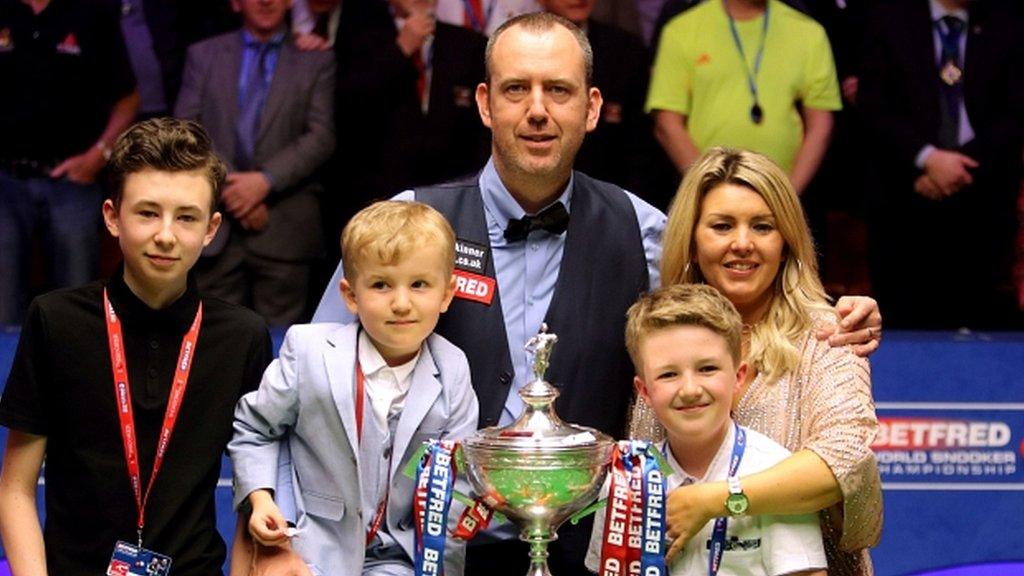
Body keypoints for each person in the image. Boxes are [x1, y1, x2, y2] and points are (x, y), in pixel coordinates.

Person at [313, 14, 882, 575]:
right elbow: (321, 386)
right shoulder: (410, 221)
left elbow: (731, 307)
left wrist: (826, 314)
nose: (538, 109)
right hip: (430, 553)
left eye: (558, 90)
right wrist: (297, 536)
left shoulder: (645, 231)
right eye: (517, 89)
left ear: (590, 109)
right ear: (486, 104)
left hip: (598, 553)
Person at [0, 118, 272, 575]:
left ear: (211, 228)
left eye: (186, 217)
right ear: (112, 217)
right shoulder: (55, 321)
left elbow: (256, 491)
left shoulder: (242, 336)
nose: (166, 234)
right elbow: (16, 489)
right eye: (147, 212)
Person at [632, 147, 883, 576]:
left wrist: (712, 500)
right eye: (722, 226)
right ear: (692, 239)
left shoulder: (828, 333)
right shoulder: (663, 337)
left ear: (785, 242)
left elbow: (843, 458)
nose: (742, 243)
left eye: (762, 227)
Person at [229, 200, 479, 575]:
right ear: (350, 295)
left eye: (420, 285)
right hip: (310, 551)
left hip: (403, 557)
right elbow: (254, 429)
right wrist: (261, 500)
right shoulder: (309, 352)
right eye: (380, 284)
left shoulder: (454, 368)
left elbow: (459, 481)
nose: (401, 302)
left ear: (446, 294)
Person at [587, 283, 827, 576]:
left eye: (707, 369)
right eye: (669, 374)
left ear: (738, 376)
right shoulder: (626, 478)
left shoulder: (776, 474)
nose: (689, 390)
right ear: (645, 392)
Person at [858, 0, 1024, 329]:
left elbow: (1015, 112)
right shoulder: (889, 18)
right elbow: (873, 106)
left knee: (979, 324)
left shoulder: (1009, 22)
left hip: (983, 193)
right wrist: (926, 159)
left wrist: (960, 167)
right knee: (904, 324)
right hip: (904, 192)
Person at [174, 0, 336, 326]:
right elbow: (186, 128)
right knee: (213, 343)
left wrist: (264, 182)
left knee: (281, 351)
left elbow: (321, 137)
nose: (266, 1)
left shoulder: (317, 58)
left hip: (285, 227)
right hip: (215, 226)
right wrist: (235, 189)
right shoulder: (203, 55)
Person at [0, 0, 139, 325]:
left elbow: (129, 100)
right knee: (2, 309)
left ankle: (72, 376)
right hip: (4, 181)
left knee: (75, 310)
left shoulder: (91, 12)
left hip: (74, 182)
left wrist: (98, 156)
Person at [647, 0, 840, 195]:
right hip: (704, 194)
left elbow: (821, 125)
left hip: (786, 192)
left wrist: (786, 197)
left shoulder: (807, 31)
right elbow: (667, 124)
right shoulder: (682, 29)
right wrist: (709, 187)